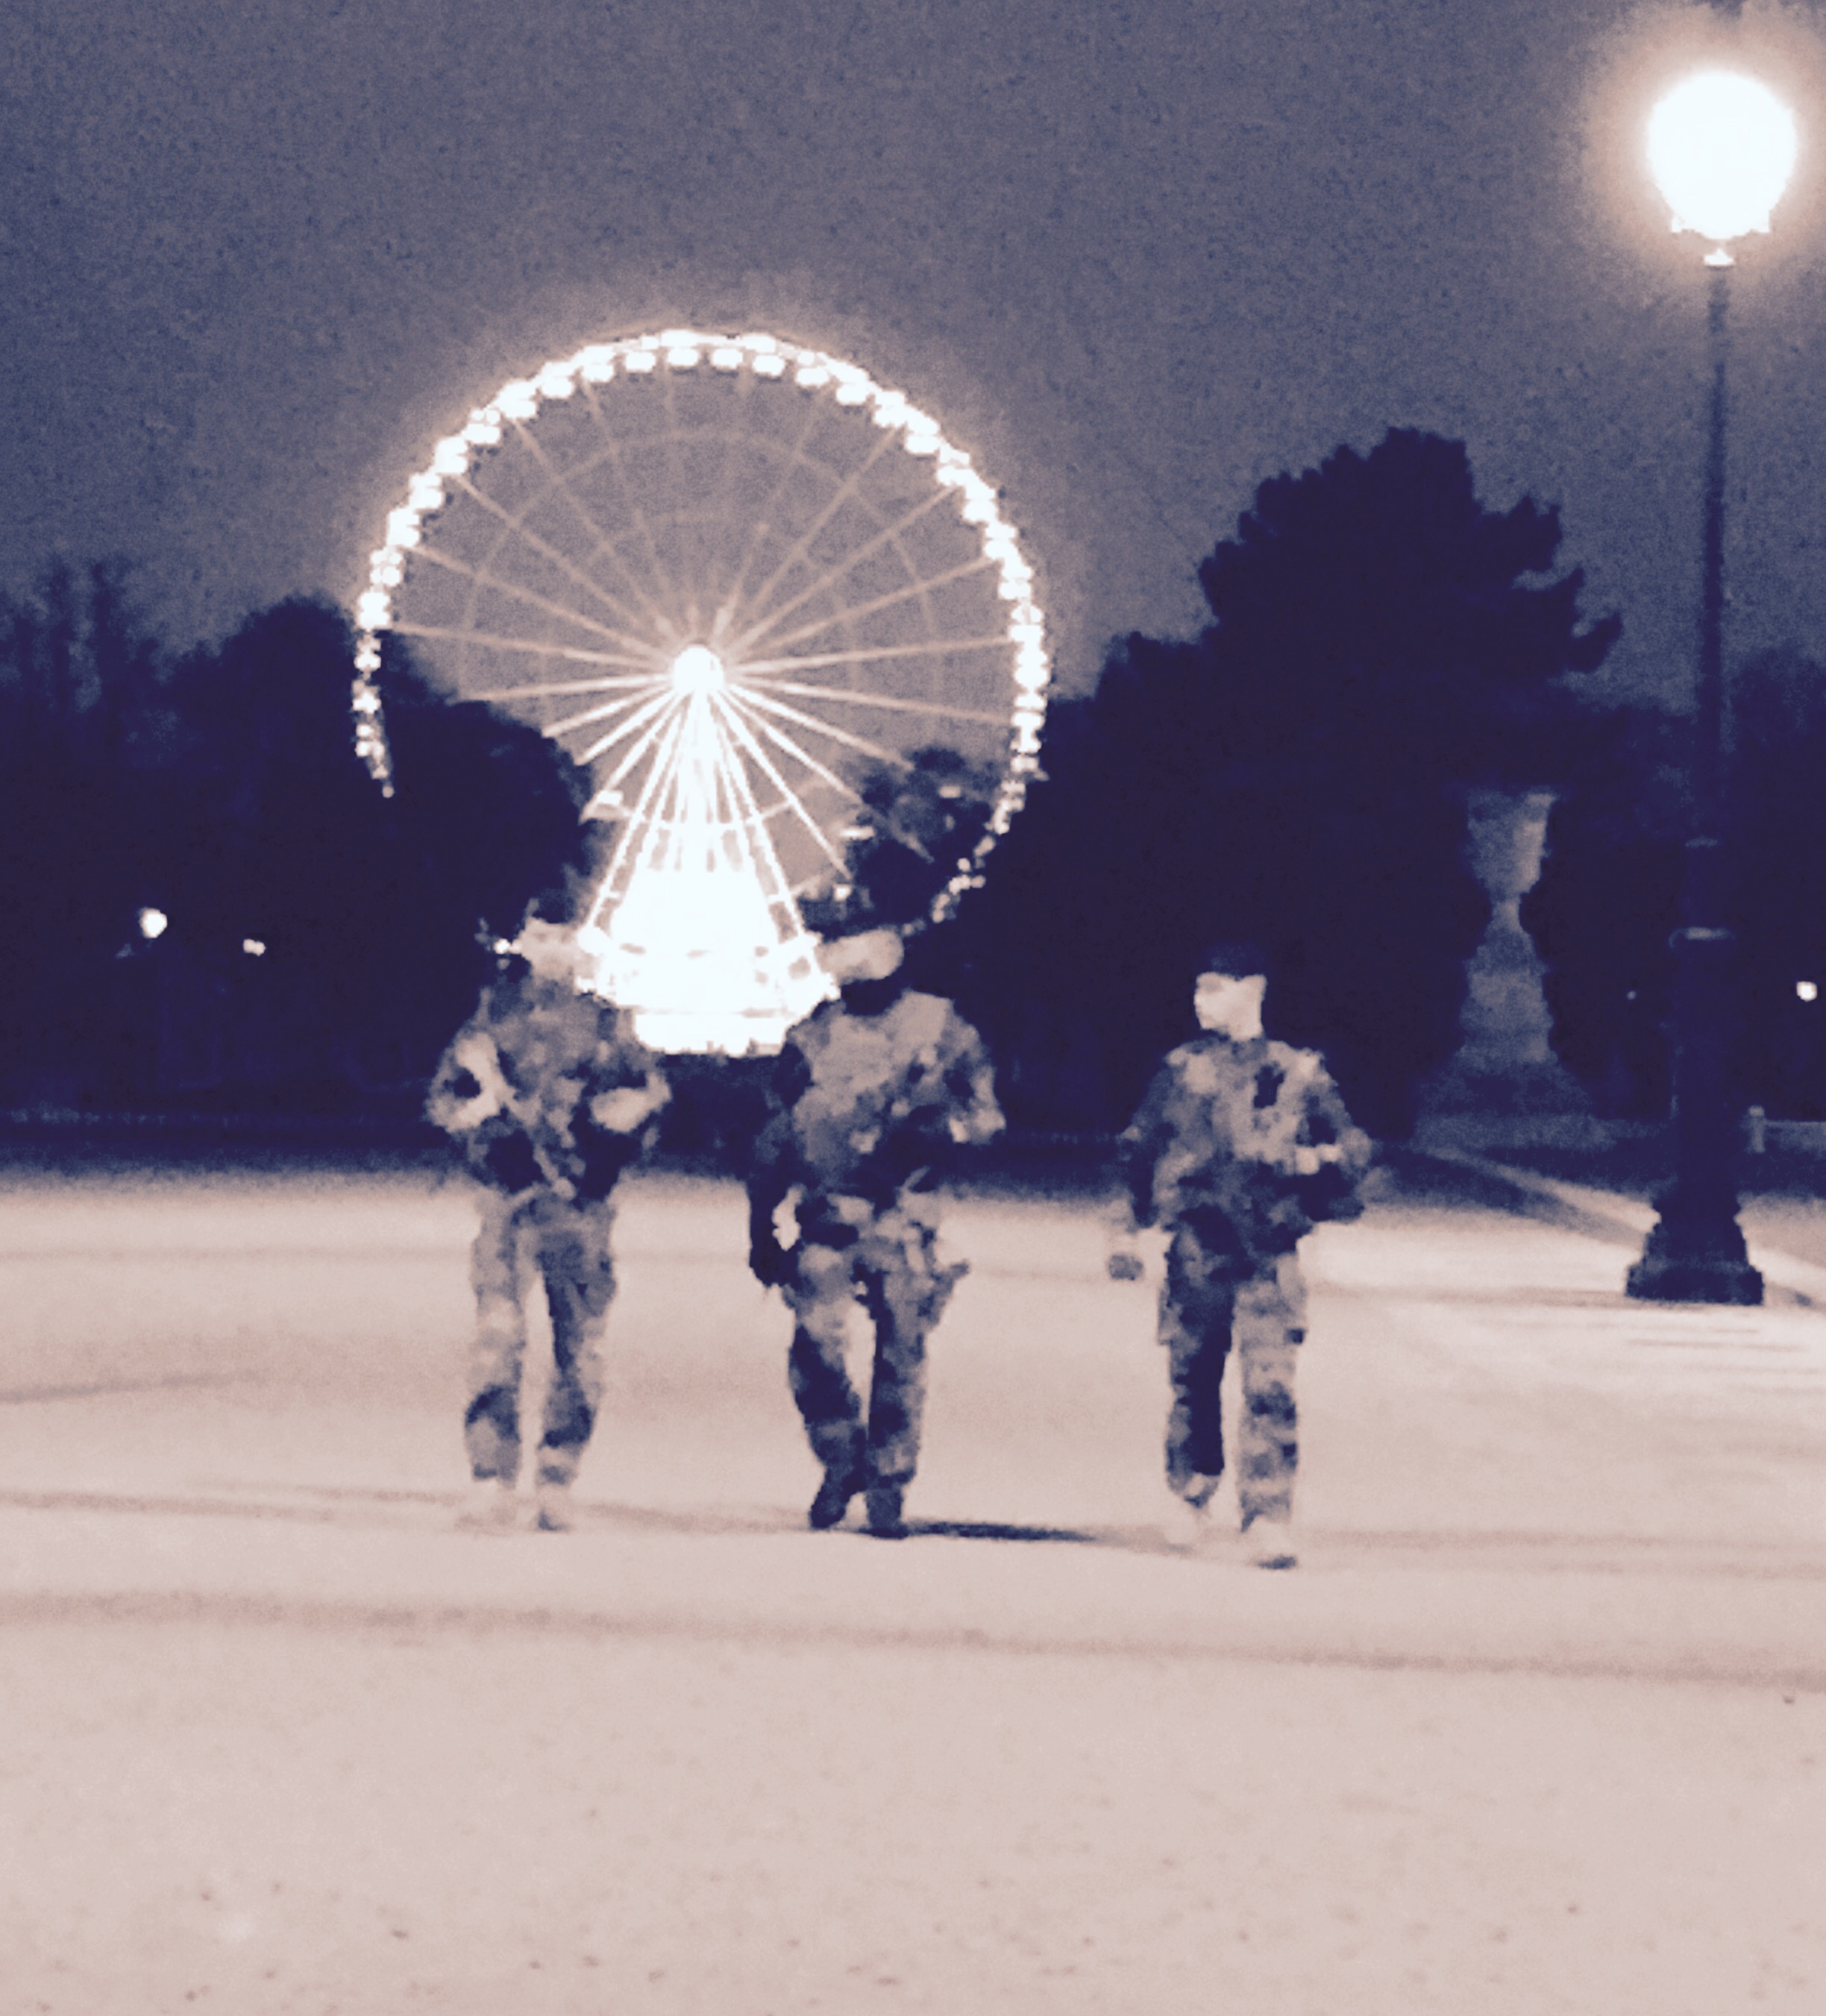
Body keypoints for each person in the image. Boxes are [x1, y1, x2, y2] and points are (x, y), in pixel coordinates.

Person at [1108, 945, 1372, 1568]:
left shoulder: (1298, 1073)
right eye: (1199, 988)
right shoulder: (1182, 1071)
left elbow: (1353, 1148)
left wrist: (1312, 1162)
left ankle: (1268, 1513)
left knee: (1270, 1385)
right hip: (1199, 1247)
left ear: (1251, 989)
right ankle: (1192, 1489)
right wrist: (1125, 1229)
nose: (1200, 1000)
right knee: (1193, 1378)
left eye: (1213, 988)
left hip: (1269, 1251)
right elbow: (1139, 1149)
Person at [746, 924, 1003, 1538]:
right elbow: (776, 1133)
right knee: (815, 1347)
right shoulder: (811, 1037)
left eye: (845, 943)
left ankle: (889, 1481)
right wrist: (761, 1223)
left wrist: (942, 1135)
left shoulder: (942, 1027)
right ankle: (842, 1457)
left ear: (886, 949)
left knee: (902, 1353)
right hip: (827, 1218)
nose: (832, 955)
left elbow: (987, 1116)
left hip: (902, 1218)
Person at [427, 914, 671, 1533]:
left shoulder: (606, 1024)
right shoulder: (490, 1020)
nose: (554, 949)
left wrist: (608, 1136)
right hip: (508, 1207)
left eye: (564, 937)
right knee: (497, 1339)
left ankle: (558, 1476)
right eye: (542, 937)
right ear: (524, 942)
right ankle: (490, 1476)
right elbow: (445, 1102)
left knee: (580, 1349)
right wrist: (481, 1112)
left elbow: (648, 1101)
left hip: (579, 1210)